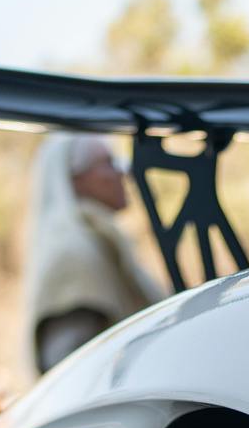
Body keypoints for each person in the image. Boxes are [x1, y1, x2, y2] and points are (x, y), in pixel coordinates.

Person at [26, 135, 163, 375]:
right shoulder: (73, 254)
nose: (123, 172)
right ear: (76, 180)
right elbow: (67, 370)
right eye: (108, 163)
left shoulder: (98, 244)